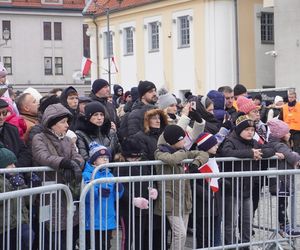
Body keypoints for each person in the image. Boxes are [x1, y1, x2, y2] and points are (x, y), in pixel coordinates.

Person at [31, 103, 84, 250]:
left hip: (68, 192)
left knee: (70, 233)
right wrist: (65, 163)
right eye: (63, 122)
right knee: (51, 236)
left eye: (67, 121)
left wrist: (74, 164)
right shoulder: (39, 138)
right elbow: (43, 156)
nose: (67, 125)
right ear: (52, 123)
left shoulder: (67, 140)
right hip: (49, 194)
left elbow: (79, 157)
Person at [218, 115, 275, 248]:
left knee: (247, 221)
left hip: (247, 189)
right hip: (231, 189)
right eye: (247, 129)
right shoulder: (230, 140)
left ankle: (246, 246)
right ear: (239, 130)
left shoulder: (253, 143)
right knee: (230, 223)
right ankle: (230, 246)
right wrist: (249, 153)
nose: (250, 132)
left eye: (252, 129)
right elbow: (225, 153)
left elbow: (270, 149)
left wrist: (257, 152)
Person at [155, 125, 209, 249]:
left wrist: (196, 163)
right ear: (174, 141)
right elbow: (171, 159)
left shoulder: (183, 151)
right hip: (169, 200)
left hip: (184, 199)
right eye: (182, 139)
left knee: (181, 235)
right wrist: (185, 154)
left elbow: (203, 154)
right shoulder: (160, 152)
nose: (185, 142)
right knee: (180, 233)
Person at [115, 138, 159, 250]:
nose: (136, 159)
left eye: (138, 157)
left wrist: (152, 189)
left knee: (140, 236)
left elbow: (149, 178)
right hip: (126, 210)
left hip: (143, 208)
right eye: (133, 157)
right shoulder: (120, 167)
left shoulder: (142, 164)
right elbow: (119, 188)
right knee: (127, 237)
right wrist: (133, 200)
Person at [83, 142, 124, 250]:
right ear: (94, 160)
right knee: (94, 245)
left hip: (108, 218)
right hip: (93, 219)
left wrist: (119, 190)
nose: (105, 159)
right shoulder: (88, 174)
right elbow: (85, 195)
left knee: (106, 245)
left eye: (107, 157)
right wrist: (97, 192)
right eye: (101, 157)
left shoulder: (109, 174)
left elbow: (115, 198)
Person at [267, 118, 300, 235]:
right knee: (282, 204)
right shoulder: (279, 145)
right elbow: (292, 157)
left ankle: (285, 225)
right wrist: (295, 155)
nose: (289, 134)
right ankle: (284, 226)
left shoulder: (278, 144)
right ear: (280, 134)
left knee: (284, 203)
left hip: (281, 179)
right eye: (287, 132)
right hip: (280, 181)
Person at [190, 132, 221, 248]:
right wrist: (205, 194)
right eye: (214, 145)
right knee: (203, 236)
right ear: (207, 146)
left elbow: (215, 179)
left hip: (213, 203)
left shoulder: (212, 159)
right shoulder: (198, 161)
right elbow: (192, 182)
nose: (217, 146)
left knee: (212, 235)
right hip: (202, 205)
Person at [0, 145, 34, 250]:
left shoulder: (15, 178)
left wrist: (33, 186)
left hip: (20, 221)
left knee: (28, 236)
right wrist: (11, 187)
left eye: (14, 163)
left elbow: (27, 201)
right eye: (10, 164)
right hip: (4, 226)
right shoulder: (4, 181)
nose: (14, 167)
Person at [0, 99, 31, 168]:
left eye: (4, 113)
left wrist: (15, 166)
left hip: (15, 172)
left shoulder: (12, 129)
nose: (1, 117)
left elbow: (25, 152)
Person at [280, 90, 300, 154]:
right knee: (287, 148)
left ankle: (297, 162)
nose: (290, 99)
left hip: (297, 131)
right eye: (289, 97)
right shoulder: (284, 107)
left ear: (295, 98)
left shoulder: (299, 105)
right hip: (287, 131)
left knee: (297, 148)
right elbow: (280, 118)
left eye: (292, 97)